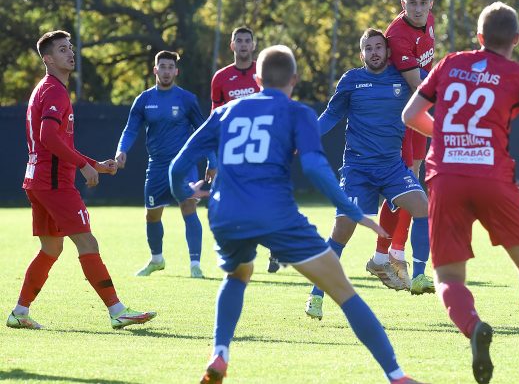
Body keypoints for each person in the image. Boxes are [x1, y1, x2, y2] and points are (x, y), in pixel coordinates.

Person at [169, 45, 422, 384]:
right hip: (276, 214)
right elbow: (316, 168)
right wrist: (351, 209)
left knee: (237, 276)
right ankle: (396, 376)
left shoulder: (224, 113)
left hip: (226, 214)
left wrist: (186, 193)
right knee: (344, 291)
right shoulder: (297, 113)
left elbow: (177, 168)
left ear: (257, 79)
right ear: (295, 79)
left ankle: (220, 352)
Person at [403, 2, 519, 383]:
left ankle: (473, 326)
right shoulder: (518, 73)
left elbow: (410, 115)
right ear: (516, 39)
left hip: (446, 176)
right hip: (493, 177)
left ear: (479, 38)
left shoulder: (449, 63)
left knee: (448, 275)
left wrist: (449, 137)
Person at [6, 30, 156, 330]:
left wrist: (95, 165)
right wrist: (82, 167)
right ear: (47, 59)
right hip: (53, 183)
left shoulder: (48, 89)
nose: (70, 53)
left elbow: (58, 142)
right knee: (87, 241)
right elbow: (48, 137)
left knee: (51, 249)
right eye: (62, 50)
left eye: (70, 48)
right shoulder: (54, 91)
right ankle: (117, 310)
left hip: (38, 180)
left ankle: (19, 312)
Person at [305, 28, 433, 319]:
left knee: (422, 205)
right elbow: (332, 115)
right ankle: (316, 295)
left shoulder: (403, 77)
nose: (374, 52)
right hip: (358, 169)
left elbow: (432, 90)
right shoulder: (352, 80)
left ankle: (419, 276)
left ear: (388, 52)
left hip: (391, 167)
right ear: (361, 54)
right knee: (342, 230)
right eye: (368, 48)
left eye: (379, 47)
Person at [115, 50, 217, 278]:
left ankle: (195, 265)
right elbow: (131, 129)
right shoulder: (144, 100)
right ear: (155, 70)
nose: (167, 71)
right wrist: (122, 149)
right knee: (152, 215)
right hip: (157, 167)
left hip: (184, 166)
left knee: (189, 206)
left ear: (176, 71)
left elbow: (203, 133)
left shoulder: (187, 99)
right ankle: (156, 259)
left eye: (171, 67)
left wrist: (212, 160)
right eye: (163, 66)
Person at [373, 0, 435, 289]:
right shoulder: (397, 34)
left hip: (417, 113)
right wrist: (449, 82)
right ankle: (389, 254)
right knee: (405, 185)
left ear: (431, 4)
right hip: (400, 117)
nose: (418, 9)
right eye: (412, 3)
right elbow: (417, 83)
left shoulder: (428, 21)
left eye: (423, 3)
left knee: (412, 182)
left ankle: (389, 254)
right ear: (403, 4)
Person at [209, 26, 282, 274]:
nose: (242, 44)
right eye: (238, 40)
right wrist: (213, 157)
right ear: (232, 46)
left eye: (246, 41)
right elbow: (215, 118)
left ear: (253, 46)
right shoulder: (220, 78)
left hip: (263, 151)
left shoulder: (264, 74)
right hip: (233, 153)